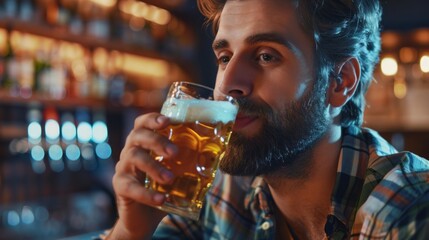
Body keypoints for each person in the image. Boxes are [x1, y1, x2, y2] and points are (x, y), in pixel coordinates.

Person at [104, 0, 429, 239]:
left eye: (266, 56)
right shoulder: (222, 191)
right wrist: (132, 229)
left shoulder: (408, 209)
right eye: (224, 57)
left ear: (340, 82)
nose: (228, 84)